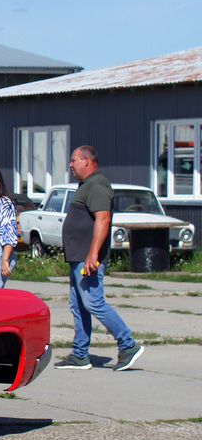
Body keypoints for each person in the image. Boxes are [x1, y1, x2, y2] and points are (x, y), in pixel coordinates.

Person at [55, 146, 144, 372]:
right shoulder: (87, 185)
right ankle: (80, 354)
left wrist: (92, 254)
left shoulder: (97, 184)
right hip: (78, 258)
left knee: (93, 302)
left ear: (86, 160)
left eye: (73, 160)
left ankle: (128, 345)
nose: (70, 165)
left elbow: (103, 220)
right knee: (79, 306)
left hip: (87, 259)